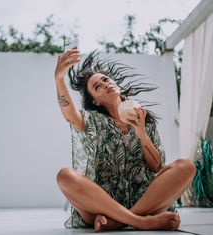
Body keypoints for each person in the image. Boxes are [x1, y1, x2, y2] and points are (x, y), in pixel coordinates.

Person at [54, 47, 196, 232]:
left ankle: (120, 222)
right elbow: (70, 115)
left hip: (144, 201)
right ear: (95, 101)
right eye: (97, 86)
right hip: (101, 206)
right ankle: (142, 222)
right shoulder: (93, 121)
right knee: (65, 176)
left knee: (186, 166)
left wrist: (142, 133)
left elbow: (156, 167)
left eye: (105, 79)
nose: (105, 84)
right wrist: (59, 78)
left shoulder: (142, 118)